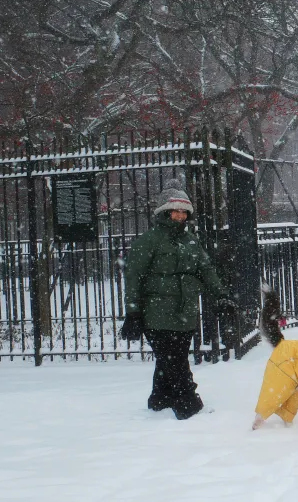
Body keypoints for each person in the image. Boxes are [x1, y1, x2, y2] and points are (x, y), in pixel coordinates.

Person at [120, 179, 235, 419]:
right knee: (175, 361)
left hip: (185, 312)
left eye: (184, 211)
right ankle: (189, 406)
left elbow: (206, 269)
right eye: (176, 211)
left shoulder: (190, 240)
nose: (181, 216)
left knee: (170, 360)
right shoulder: (149, 241)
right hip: (157, 314)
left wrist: (221, 296)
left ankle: (159, 400)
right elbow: (133, 277)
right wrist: (133, 312)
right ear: (165, 212)